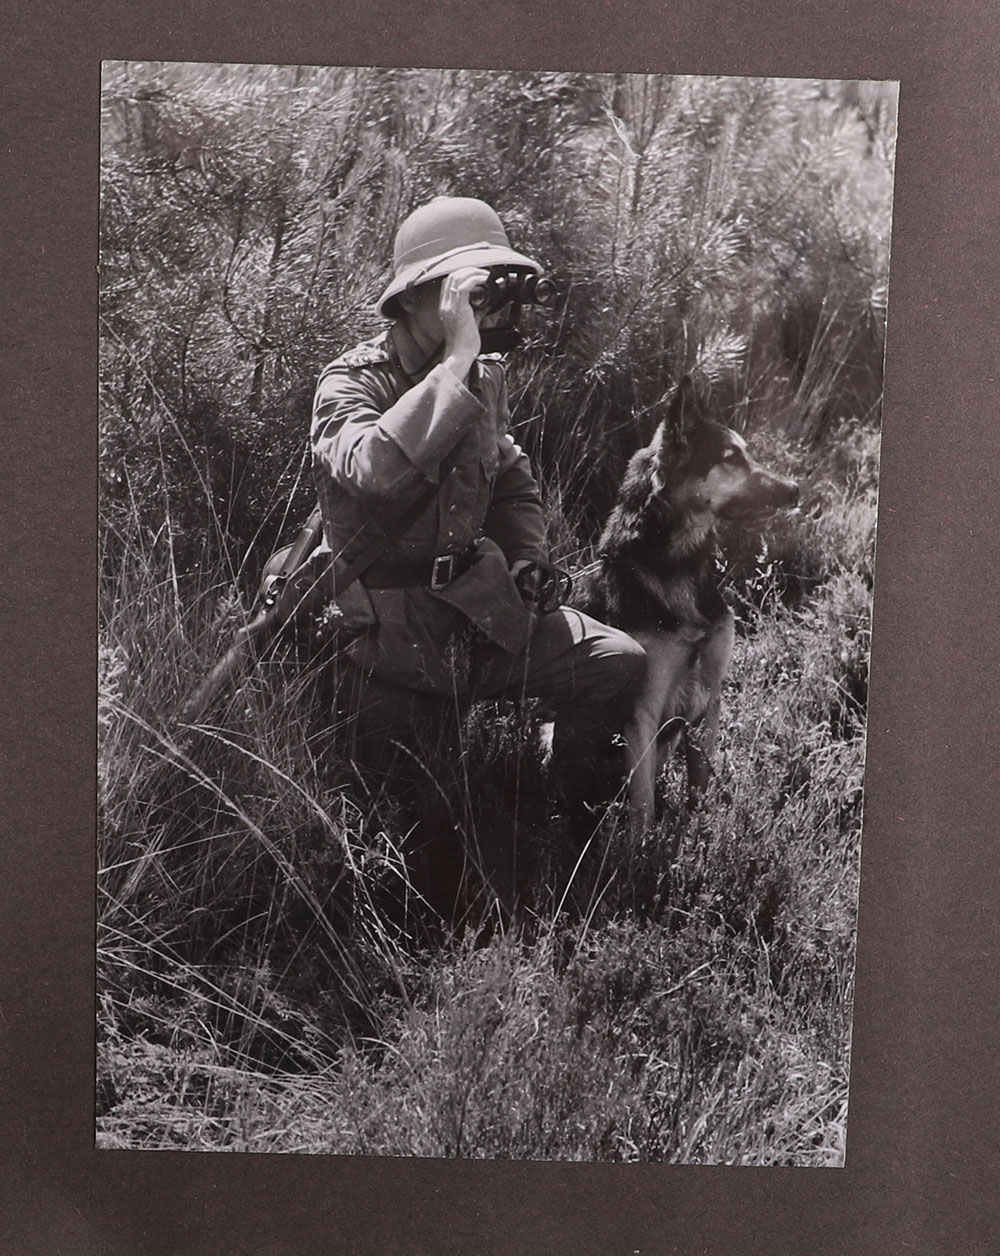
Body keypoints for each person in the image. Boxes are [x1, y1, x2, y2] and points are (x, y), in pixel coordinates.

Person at [310, 196, 645, 913]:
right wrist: (459, 356)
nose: (485, 312)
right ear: (412, 298)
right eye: (468, 292)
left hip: (476, 612)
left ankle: (570, 816)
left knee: (617, 662)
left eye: (490, 293)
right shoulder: (351, 383)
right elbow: (374, 467)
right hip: (389, 644)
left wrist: (525, 554)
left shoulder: (484, 378)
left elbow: (510, 474)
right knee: (433, 848)